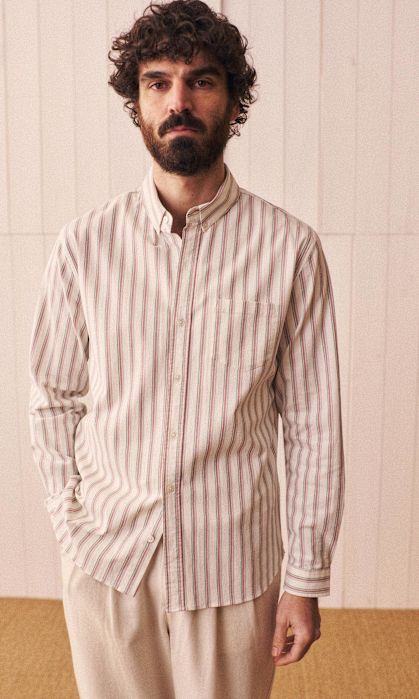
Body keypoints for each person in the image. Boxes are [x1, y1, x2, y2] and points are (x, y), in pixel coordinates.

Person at [28, 1, 345, 697]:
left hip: (232, 567)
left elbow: (313, 426)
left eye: (201, 81)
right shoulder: (84, 246)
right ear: (137, 102)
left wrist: (304, 579)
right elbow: (53, 396)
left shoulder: (289, 250)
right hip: (108, 561)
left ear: (232, 100)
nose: (179, 101)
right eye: (158, 82)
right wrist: (68, 521)